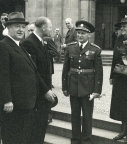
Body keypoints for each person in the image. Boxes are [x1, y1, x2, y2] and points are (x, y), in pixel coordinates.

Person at [0, 12, 54, 144]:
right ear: (8, 28)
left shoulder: (19, 45)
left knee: (23, 138)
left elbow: (33, 72)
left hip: (26, 105)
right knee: (13, 138)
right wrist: (7, 100)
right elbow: (3, 74)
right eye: (16, 26)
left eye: (22, 27)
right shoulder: (4, 45)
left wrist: (44, 90)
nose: (20, 30)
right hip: (14, 106)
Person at [62, 20, 103, 144]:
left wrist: (97, 90)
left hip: (88, 87)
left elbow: (99, 72)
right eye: (78, 33)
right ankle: (75, 140)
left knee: (87, 116)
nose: (80, 35)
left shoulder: (95, 50)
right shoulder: (70, 48)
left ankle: (86, 140)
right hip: (73, 86)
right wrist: (65, 87)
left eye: (83, 33)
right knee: (74, 116)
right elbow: (65, 69)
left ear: (89, 35)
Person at [22, 16, 56, 144]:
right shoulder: (29, 43)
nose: (51, 29)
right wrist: (45, 90)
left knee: (41, 127)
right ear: (43, 27)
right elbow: (33, 71)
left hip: (43, 94)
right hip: (37, 95)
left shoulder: (42, 41)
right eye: (50, 26)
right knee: (35, 129)